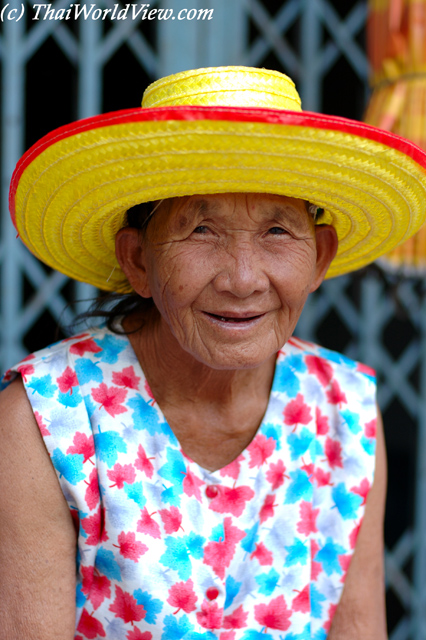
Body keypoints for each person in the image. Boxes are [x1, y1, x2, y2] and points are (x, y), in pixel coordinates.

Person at [2, 65, 426, 640]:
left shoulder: (344, 413)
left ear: (320, 257)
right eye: (201, 229)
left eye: (277, 231)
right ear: (139, 262)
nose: (244, 279)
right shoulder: (47, 421)